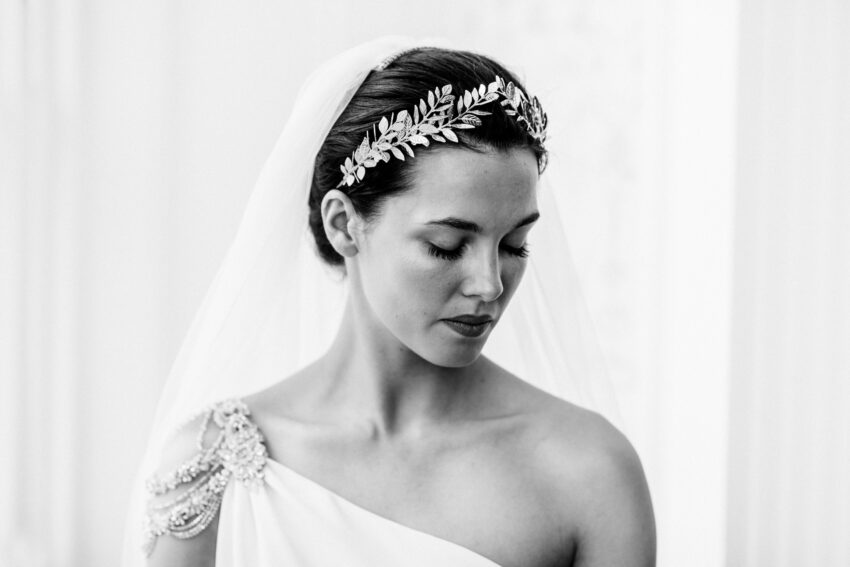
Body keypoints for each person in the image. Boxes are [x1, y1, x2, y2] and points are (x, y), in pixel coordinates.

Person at [122, 37, 656, 567]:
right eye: (445, 247)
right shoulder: (214, 467)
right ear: (344, 225)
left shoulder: (588, 472)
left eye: (515, 245)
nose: (490, 285)